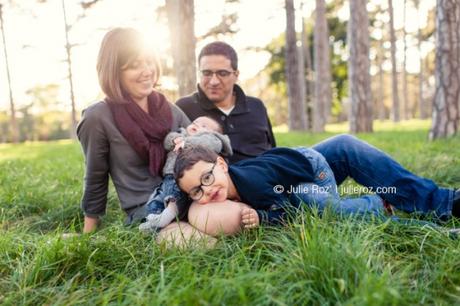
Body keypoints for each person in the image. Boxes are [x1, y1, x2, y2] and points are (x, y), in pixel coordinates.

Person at [76, 28, 212, 245]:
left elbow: (201, 152)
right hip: (148, 209)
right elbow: (95, 176)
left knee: (223, 216)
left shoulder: (167, 108)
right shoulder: (98, 117)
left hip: (190, 194)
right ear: (114, 71)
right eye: (134, 65)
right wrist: (88, 236)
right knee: (190, 238)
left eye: (149, 62)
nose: (147, 71)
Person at [174, 144, 460, 237]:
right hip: (285, 171)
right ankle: (428, 226)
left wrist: (263, 218)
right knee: (319, 209)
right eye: (196, 191)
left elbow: (284, 210)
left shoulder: (254, 184)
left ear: (222, 163)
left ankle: (387, 203)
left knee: (318, 205)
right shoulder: (212, 183)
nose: (206, 191)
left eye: (208, 178)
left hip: (310, 165)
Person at [176, 41, 276, 164]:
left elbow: (273, 150)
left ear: (236, 75)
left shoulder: (257, 106)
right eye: (206, 73)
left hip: (263, 177)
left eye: (222, 73)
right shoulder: (184, 107)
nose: (213, 81)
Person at [138, 116, 232, 233]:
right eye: (195, 122)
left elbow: (209, 144)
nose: (197, 125)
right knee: (158, 197)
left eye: (203, 126)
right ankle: (153, 218)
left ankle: (171, 211)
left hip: (187, 178)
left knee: (176, 195)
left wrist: (185, 142)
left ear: (213, 132)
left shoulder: (212, 138)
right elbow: (168, 141)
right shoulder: (180, 134)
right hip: (168, 176)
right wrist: (176, 139)